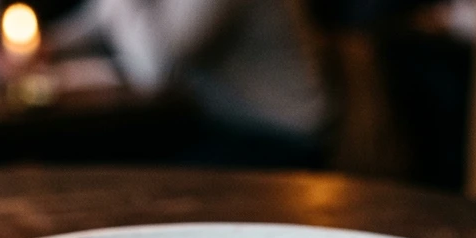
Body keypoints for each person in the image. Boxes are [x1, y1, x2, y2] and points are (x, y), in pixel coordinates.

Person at [45, 0, 331, 167]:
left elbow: (156, 70)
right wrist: (46, 46)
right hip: (225, 125)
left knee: (137, 179)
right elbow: (100, 18)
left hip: (282, 137)